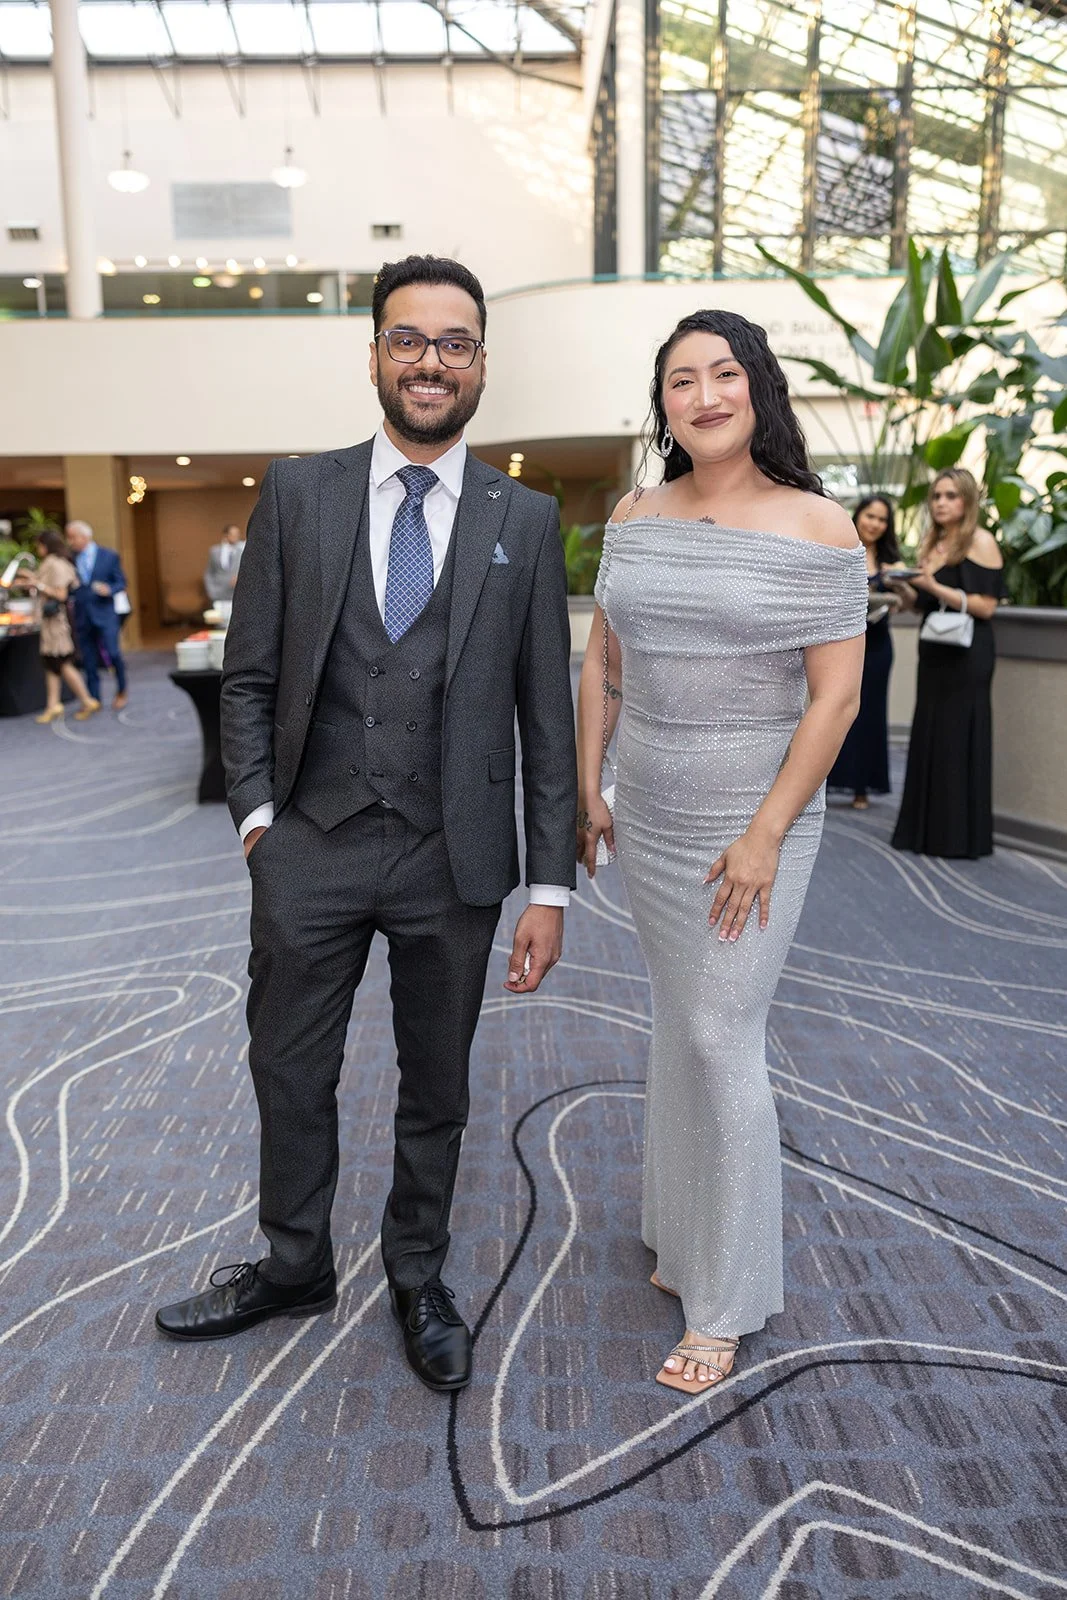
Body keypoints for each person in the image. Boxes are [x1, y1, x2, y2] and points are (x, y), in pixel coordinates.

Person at [155, 255, 577, 1394]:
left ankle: (416, 1269)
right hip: (312, 843)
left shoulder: (524, 519)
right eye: (408, 338)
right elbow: (246, 680)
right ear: (375, 352)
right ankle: (294, 1262)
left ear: (480, 362)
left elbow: (548, 711)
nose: (429, 360)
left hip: (458, 854)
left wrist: (549, 886)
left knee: (436, 1080)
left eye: (453, 342)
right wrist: (256, 822)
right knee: (288, 1067)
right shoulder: (298, 493)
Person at [577, 309, 866, 1394]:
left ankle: (729, 1295)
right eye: (679, 380)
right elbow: (601, 657)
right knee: (675, 1022)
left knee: (716, 1031)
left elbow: (834, 701)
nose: (701, 395)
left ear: (757, 391)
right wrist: (591, 789)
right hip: (646, 808)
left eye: (722, 375)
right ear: (661, 405)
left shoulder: (817, 526)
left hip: (756, 821)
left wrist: (761, 832)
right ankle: (682, 1232)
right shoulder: (634, 513)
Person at [890, 468, 1006, 859]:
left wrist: (933, 586)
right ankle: (926, 832)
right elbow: (919, 603)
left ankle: (958, 837)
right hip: (935, 648)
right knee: (932, 733)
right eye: (937, 496)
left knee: (959, 736)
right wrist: (902, 586)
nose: (941, 502)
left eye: (951, 496)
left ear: (968, 501)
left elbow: (986, 607)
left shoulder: (981, 541)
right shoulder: (931, 543)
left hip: (969, 653)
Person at [827, 494, 901, 809]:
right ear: (858, 515)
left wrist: (901, 588)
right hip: (842, 639)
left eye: (882, 519)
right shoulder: (840, 547)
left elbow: (906, 603)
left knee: (871, 714)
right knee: (833, 708)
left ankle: (862, 787)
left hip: (879, 641)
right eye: (870, 516)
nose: (875, 524)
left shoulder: (891, 563)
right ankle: (827, 780)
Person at [14, 528, 99, 723]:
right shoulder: (52, 563)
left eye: (39, 545)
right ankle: (53, 705)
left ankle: (87, 700)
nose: (37, 549)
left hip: (56, 623)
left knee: (60, 662)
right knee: (52, 664)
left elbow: (61, 594)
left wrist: (37, 584)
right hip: (49, 622)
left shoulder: (56, 564)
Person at [64, 520, 129, 711]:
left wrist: (109, 589)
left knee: (113, 653)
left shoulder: (108, 556)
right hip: (82, 615)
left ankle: (121, 690)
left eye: (72, 537)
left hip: (105, 613)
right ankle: (94, 698)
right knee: (89, 659)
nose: (70, 542)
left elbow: (121, 582)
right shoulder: (70, 559)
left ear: (85, 537)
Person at [204, 523, 245, 603]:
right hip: (218, 594)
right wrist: (211, 591)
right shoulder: (215, 551)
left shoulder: (244, 551)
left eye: (237, 534)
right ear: (226, 535)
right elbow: (209, 572)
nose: (235, 536)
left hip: (237, 594)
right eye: (232, 534)